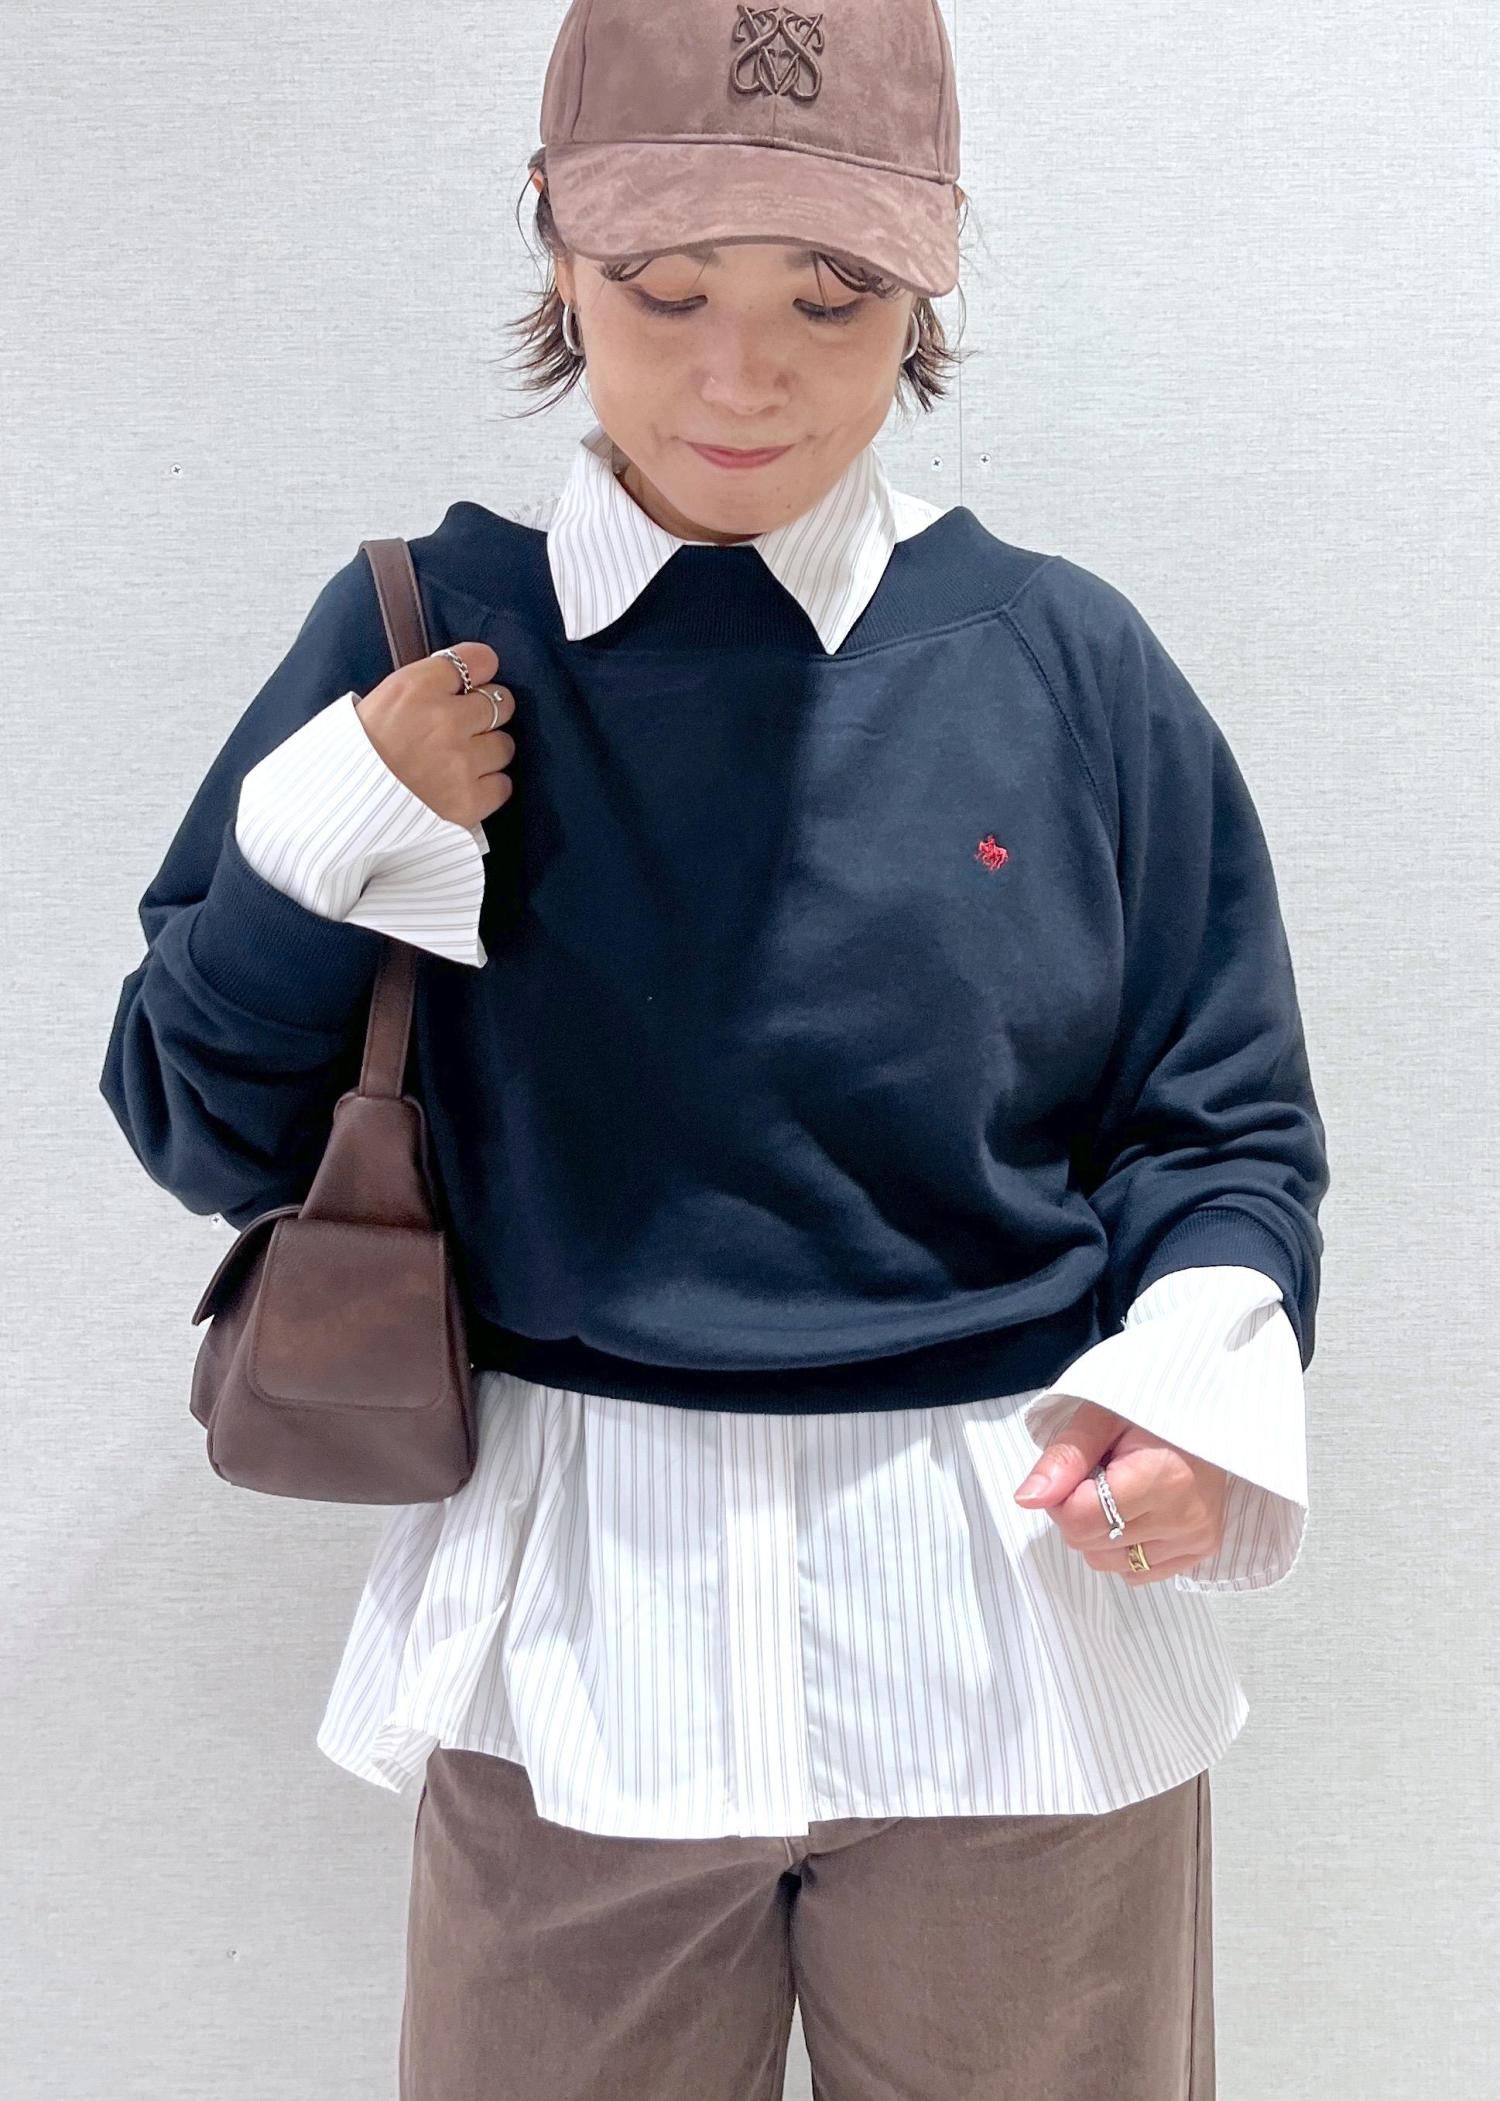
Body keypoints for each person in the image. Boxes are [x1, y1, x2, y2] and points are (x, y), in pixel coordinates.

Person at [98, 2, 1330, 2095]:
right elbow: (203, 1125)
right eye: (668, 288)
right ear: (557, 246)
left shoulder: (1066, 662)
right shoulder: (416, 640)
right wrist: (324, 839)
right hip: (572, 1633)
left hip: (1013, 1620)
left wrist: (1198, 1378)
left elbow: (1219, 1118)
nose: (740, 375)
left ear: (929, 279)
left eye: (829, 295)